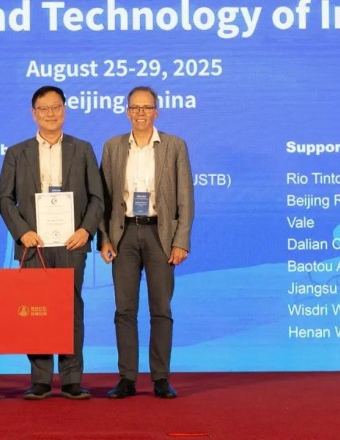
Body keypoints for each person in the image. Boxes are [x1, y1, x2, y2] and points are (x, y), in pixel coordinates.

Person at [0, 85, 104, 400]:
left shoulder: (82, 149)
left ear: (64, 110)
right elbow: (5, 199)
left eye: (56, 107)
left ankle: (72, 379)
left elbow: (97, 197)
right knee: (37, 309)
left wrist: (86, 230)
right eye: (43, 108)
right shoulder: (17, 152)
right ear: (34, 114)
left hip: (72, 242)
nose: (50, 113)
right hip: (34, 243)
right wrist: (22, 232)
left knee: (71, 308)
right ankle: (41, 379)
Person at [98, 86, 194, 399]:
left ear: (156, 111)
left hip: (160, 235)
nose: (141, 113)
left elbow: (185, 198)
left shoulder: (175, 146)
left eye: (147, 107)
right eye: (135, 107)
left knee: (161, 309)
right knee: (124, 310)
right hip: (123, 234)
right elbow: (103, 198)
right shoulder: (112, 146)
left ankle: (160, 378)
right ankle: (126, 379)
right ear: (127, 111)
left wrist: (181, 241)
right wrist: (104, 238)